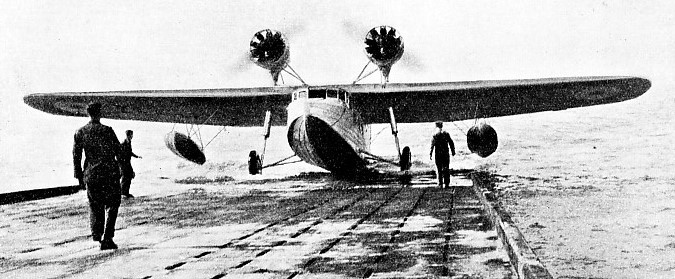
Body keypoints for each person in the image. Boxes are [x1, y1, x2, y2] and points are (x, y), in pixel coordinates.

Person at [73, 102, 122, 250]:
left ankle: (98, 236)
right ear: (100, 113)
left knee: (95, 206)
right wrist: (121, 169)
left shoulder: (80, 131)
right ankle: (108, 237)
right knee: (113, 205)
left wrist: (79, 176)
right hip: (109, 173)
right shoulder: (108, 130)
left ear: (88, 113)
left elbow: (76, 155)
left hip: (92, 174)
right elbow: (119, 152)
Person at [429, 121, 456, 188]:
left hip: (438, 154)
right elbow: (451, 142)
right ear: (442, 125)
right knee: (446, 168)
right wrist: (453, 151)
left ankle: (440, 184)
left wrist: (430, 153)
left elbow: (432, 145)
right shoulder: (446, 133)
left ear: (436, 126)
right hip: (445, 153)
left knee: (439, 169)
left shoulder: (435, 134)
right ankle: (447, 183)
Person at [120, 130, 141, 198]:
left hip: (127, 163)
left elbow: (130, 152)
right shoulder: (124, 143)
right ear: (129, 135)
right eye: (131, 135)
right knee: (125, 177)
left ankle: (126, 192)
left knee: (129, 176)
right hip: (124, 163)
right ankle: (122, 193)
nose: (132, 136)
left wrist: (137, 156)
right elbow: (119, 154)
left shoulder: (129, 142)